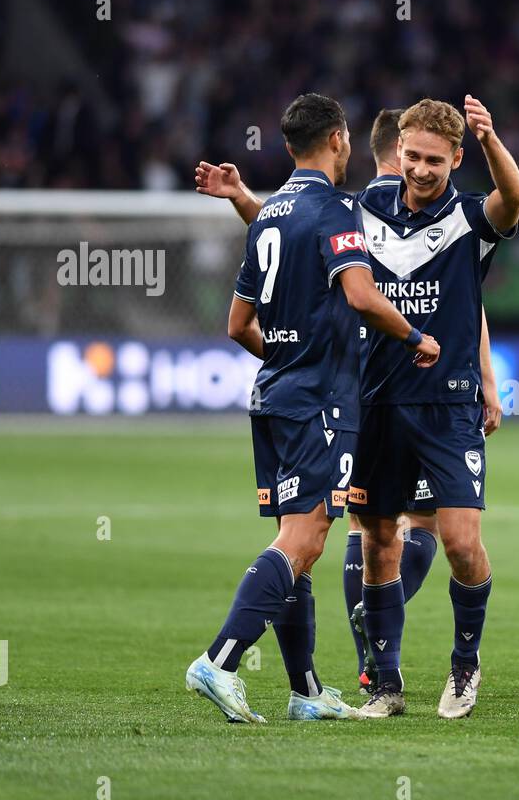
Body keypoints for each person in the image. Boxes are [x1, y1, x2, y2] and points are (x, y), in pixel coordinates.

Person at [184, 93, 439, 723]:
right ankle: (218, 661)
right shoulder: (335, 211)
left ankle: (304, 691)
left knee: (296, 538)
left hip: (273, 397)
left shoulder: (270, 215)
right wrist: (414, 336)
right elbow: (360, 294)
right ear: (338, 140)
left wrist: (289, 354)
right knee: (305, 536)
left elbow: (238, 324)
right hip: (319, 403)